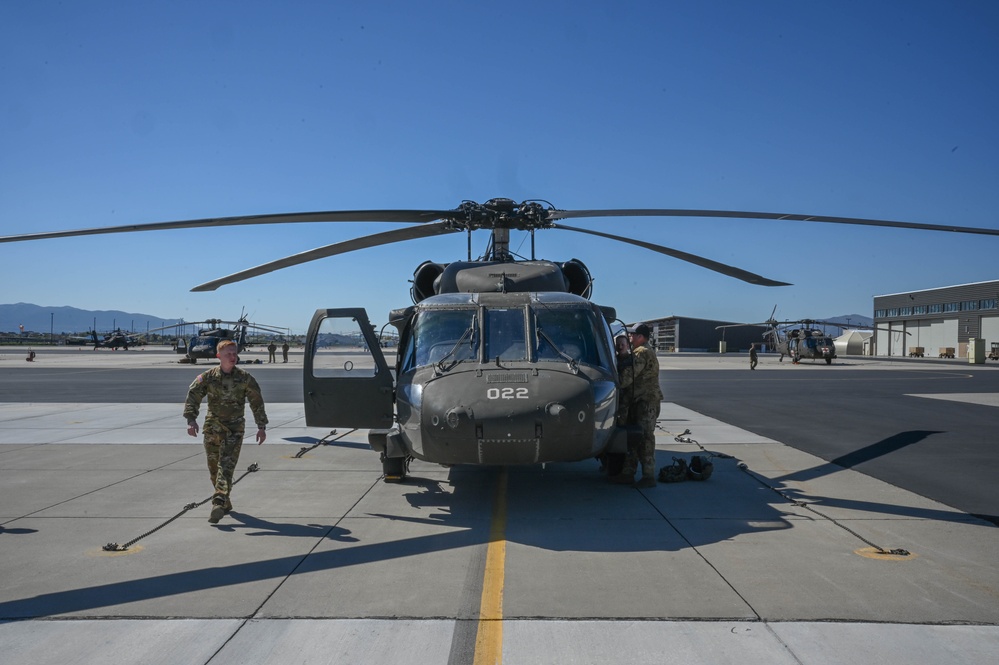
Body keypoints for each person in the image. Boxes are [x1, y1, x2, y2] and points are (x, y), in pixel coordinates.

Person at [184, 339, 268, 523]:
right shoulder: (208, 377)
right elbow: (193, 395)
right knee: (214, 470)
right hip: (212, 428)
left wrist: (261, 426)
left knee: (226, 467)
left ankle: (218, 500)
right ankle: (225, 502)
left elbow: (256, 402)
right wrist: (191, 420)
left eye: (234, 353)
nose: (232, 357)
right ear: (218, 356)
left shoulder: (245, 378)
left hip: (234, 429)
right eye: (228, 354)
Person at [610, 323, 664, 488]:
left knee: (645, 438)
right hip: (637, 401)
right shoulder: (638, 352)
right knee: (633, 438)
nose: (630, 337)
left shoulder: (642, 353)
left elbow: (625, 379)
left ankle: (648, 476)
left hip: (645, 402)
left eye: (633, 335)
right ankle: (628, 473)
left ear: (641, 337)